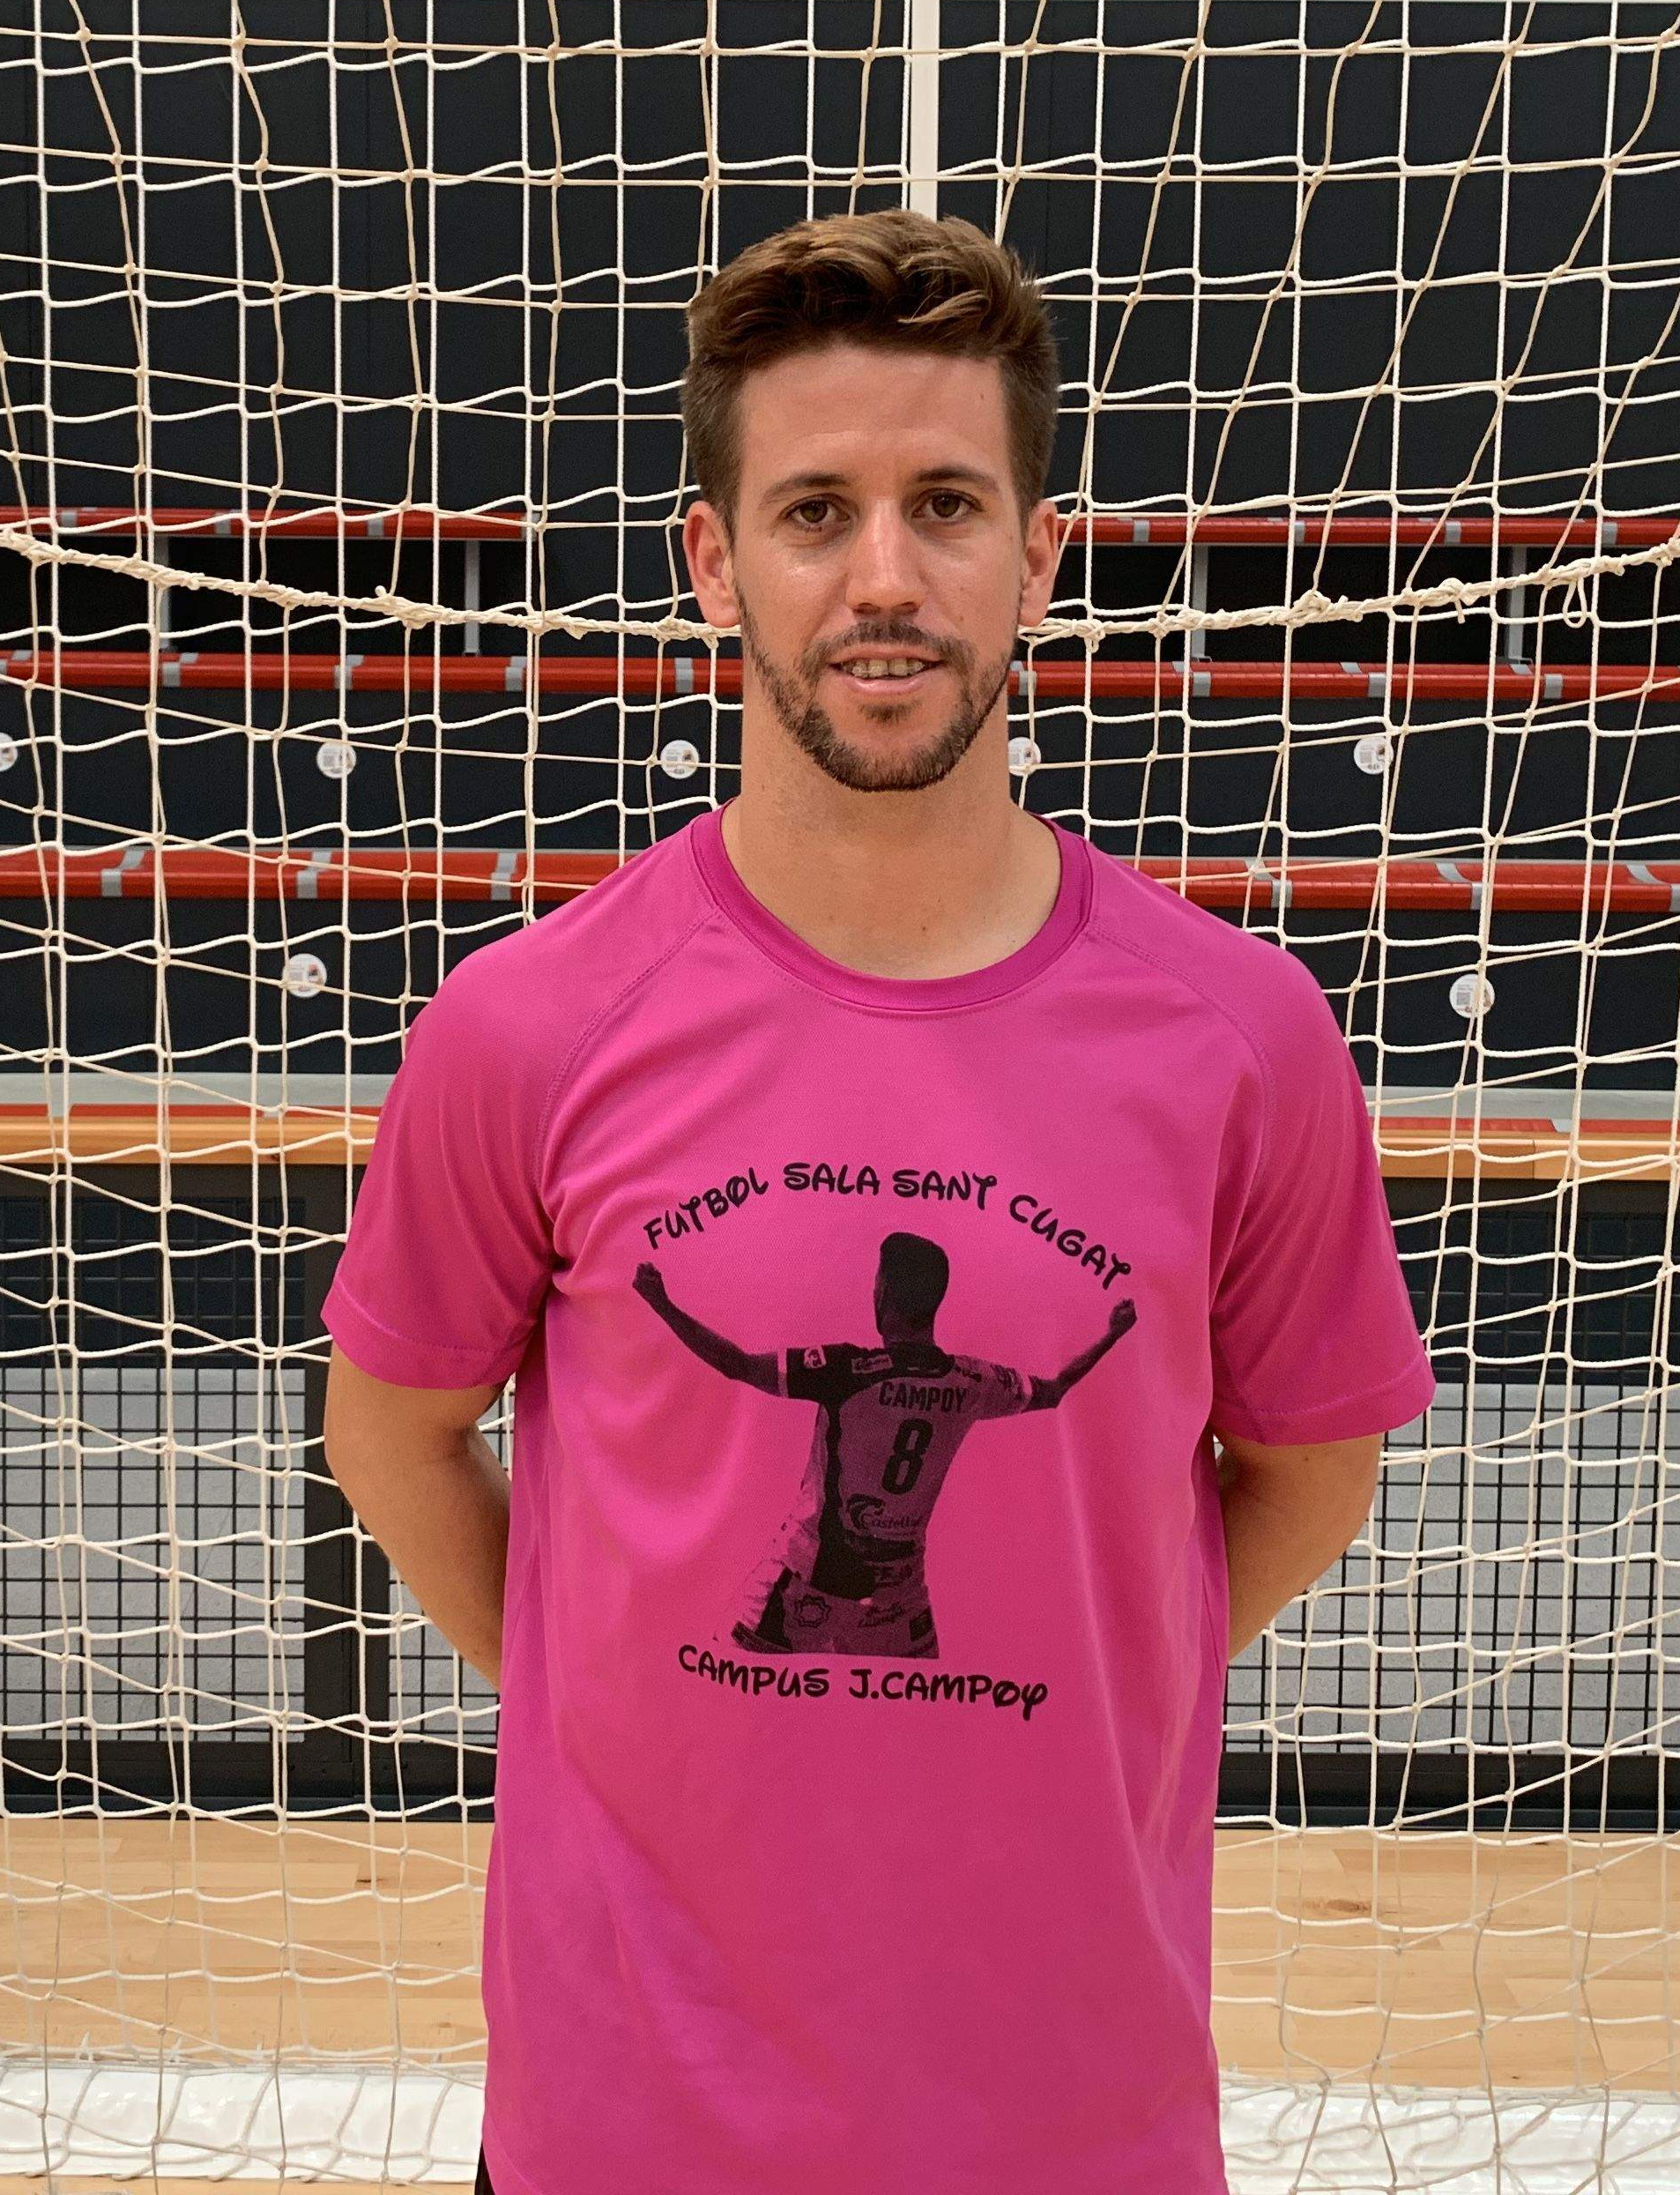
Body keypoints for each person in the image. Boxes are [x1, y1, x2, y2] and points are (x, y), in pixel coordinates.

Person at [317, 208, 1438, 2195]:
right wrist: (616, 1695)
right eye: (817, 510)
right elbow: (397, 1435)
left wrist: (1097, 1651)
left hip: (1069, 2133)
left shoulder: (1242, 1038)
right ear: (711, 558)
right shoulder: (532, 1026)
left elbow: (1308, 1471)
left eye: (947, 503)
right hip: (622, 2133)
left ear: (1044, 554)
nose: (887, 577)